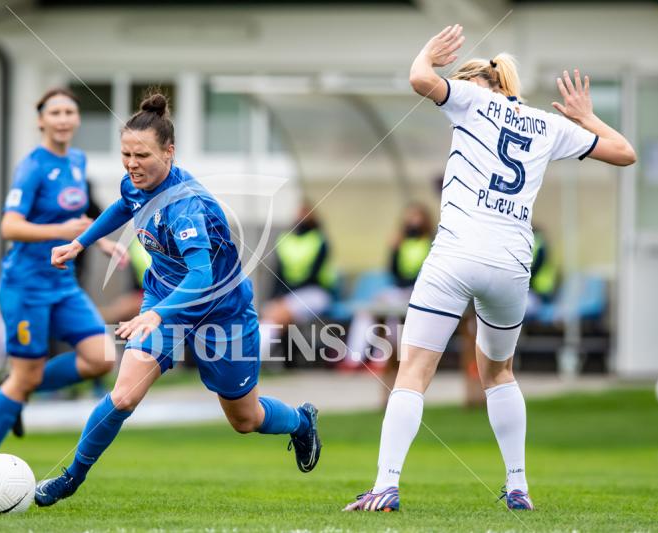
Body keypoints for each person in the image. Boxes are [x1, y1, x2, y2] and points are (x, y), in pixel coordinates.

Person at [344, 24, 635, 513]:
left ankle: (385, 485)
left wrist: (429, 53)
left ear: (480, 84)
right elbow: (624, 153)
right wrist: (587, 117)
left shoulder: (473, 101)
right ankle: (518, 486)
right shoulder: (548, 124)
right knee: (499, 373)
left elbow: (419, 79)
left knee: (414, 370)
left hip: (456, 255)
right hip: (511, 265)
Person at [34, 93, 321, 507]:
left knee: (246, 419)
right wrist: (80, 243)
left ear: (170, 152)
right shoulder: (136, 182)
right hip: (165, 303)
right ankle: (70, 477)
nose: (132, 164)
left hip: (222, 312)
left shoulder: (185, 206)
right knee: (123, 396)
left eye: (142, 156)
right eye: (126, 154)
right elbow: (124, 205)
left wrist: (157, 314)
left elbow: (202, 276)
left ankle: (300, 422)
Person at [0, 88, 124, 470]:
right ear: (41, 120)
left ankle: (16, 386)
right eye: (55, 112)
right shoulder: (32, 167)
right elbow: (9, 226)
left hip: (63, 285)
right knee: (24, 377)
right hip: (26, 287)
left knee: (101, 357)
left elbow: (77, 220)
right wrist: (60, 231)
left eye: (70, 111)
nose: (63, 119)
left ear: (77, 119)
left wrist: (100, 242)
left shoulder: (77, 161)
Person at [340, 204, 433, 372]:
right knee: (368, 311)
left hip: (419, 292)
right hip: (399, 290)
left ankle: (381, 360)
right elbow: (393, 273)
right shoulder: (401, 242)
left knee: (393, 315)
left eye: (416, 217)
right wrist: (394, 250)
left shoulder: (430, 243)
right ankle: (353, 358)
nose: (413, 222)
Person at [258, 203, 337, 361]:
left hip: (315, 293)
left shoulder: (320, 240)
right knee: (270, 312)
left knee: (279, 314)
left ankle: (257, 357)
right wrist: (276, 299)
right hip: (289, 296)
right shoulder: (285, 239)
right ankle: (256, 356)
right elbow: (277, 274)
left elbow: (313, 276)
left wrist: (284, 301)